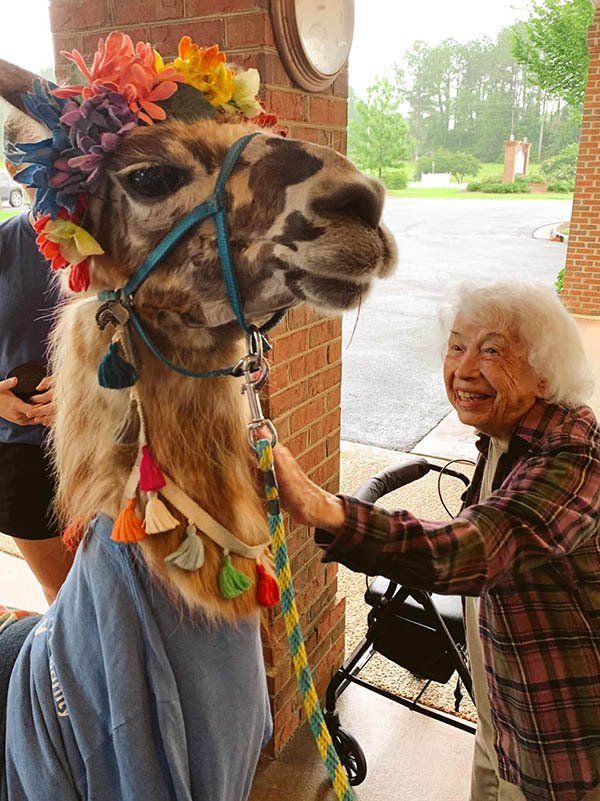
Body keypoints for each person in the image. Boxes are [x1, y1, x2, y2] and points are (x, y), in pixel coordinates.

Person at [270, 282, 600, 801]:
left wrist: (323, 508)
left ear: (544, 371)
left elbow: (477, 549)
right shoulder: (504, 435)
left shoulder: (574, 457)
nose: (464, 369)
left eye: (492, 349)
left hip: (560, 739)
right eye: (457, 346)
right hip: (503, 713)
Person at [0, 160, 72, 603]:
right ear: (12, 164)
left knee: (118, 588)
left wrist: (83, 390)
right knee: (63, 595)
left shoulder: (115, 247)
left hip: (104, 446)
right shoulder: (5, 245)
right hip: (20, 452)